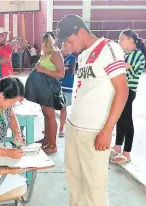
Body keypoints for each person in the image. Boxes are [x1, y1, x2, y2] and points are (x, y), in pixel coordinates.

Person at [55, 14, 128, 206]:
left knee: (94, 188)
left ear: (80, 31)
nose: (68, 48)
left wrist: (107, 130)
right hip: (74, 126)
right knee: (75, 182)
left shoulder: (109, 48)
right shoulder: (84, 54)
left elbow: (122, 91)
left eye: (70, 41)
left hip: (95, 131)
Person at [24, 32, 65, 154]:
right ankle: (47, 139)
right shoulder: (46, 54)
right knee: (46, 115)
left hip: (49, 88)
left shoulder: (55, 54)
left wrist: (42, 70)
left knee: (50, 116)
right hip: (42, 89)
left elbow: (61, 74)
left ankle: (52, 145)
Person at [111, 29, 146, 164]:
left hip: (129, 90)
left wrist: (117, 63)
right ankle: (118, 145)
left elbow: (128, 69)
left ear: (131, 40)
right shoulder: (127, 54)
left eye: (122, 39)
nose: (119, 42)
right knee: (119, 118)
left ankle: (127, 152)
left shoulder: (138, 55)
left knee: (127, 120)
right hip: (121, 89)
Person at [58, 43, 76, 137]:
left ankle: (61, 128)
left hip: (67, 86)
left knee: (63, 108)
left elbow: (70, 72)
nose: (64, 48)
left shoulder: (72, 58)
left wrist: (60, 69)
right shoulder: (57, 57)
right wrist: (62, 69)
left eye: (66, 46)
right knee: (51, 108)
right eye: (63, 46)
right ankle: (50, 127)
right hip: (56, 85)